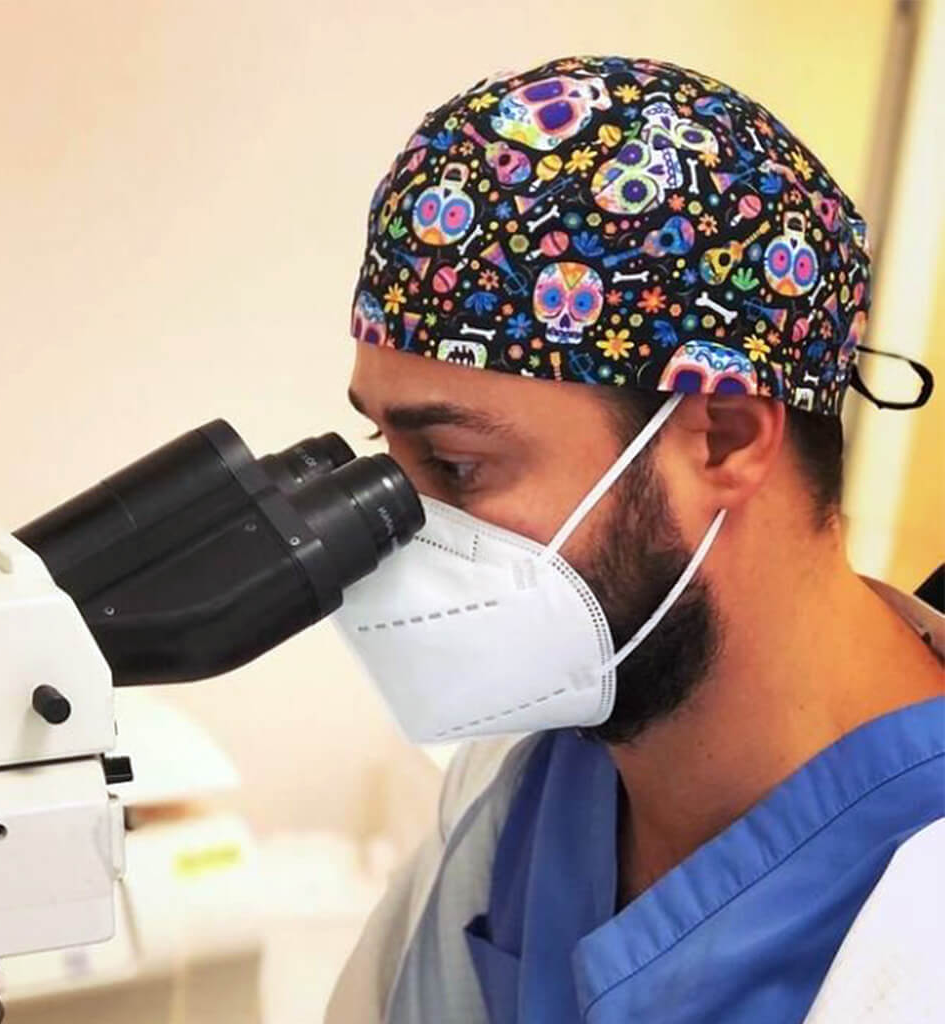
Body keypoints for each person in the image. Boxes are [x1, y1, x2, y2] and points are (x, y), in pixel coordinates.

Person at [326, 56, 943, 1023]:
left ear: (724, 438)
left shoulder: (921, 902)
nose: (396, 530)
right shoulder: (530, 781)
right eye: (382, 449)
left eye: (452, 466)